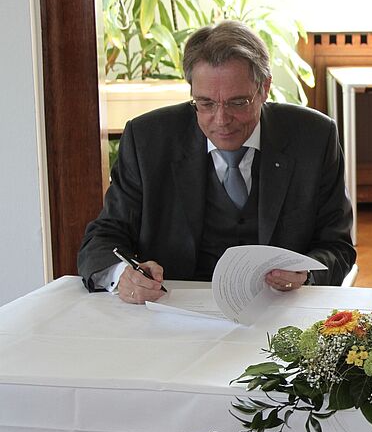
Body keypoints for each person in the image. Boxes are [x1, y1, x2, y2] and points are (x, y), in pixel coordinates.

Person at [78, 20, 356, 303]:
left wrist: (305, 275)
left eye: (238, 102)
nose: (221, 120)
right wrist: (124, 275)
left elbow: (337, 247)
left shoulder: (313, 137)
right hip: (174, 308)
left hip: (278, 309)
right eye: (206, 103)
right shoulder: (148, 140)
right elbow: (103, 238)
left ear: (264, 88)